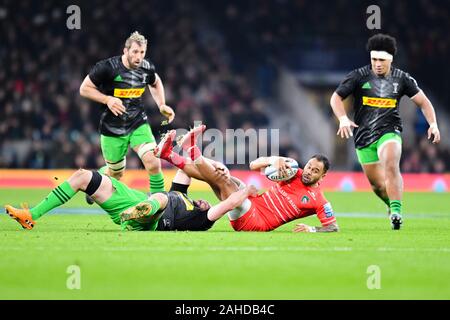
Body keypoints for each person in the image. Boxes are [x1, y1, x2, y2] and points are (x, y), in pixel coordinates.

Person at [3, 128, 251, 232]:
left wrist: (248, 189)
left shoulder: (200, 220)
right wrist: (203, 154)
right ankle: (31, 215)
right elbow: (188, 170)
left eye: (208, 204)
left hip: (154, 220)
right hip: (136, 202)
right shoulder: (183, 196)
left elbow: (228, 204)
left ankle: (137, 216)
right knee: (82, 176)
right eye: (205, 201)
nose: (206, 202)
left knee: (162, 197)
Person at [330, 33, 441, 230]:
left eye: (381, 59)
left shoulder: (403, 79)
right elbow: (335, 98)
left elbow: (424, 102)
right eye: (374, 59)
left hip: (390, 131)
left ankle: (397, 213)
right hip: (363, 137)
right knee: (377, 186)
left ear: (390, 59)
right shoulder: (358, 76)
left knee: (390, 162)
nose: (377, 63)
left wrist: (433, 124)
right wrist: (343, 118)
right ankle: (391, 205)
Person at [154, 125, 339, 233]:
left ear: (322, 176)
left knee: (222, 180)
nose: (308, 172)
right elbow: (253, 165)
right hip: (254, 202)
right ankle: (170, 154)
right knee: (223, 175)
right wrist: (274, 159)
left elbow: (332, 227)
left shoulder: (319, 200)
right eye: (309, 166)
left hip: (256, 221)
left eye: (315, 171)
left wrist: (312, 229)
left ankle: (189, 150)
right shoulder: (292, 172)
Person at [79, 31, 175, 203]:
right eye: (135, 52)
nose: (139, 57)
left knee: (153, 162)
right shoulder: (107, 67)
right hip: (112, 127)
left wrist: (161, 104)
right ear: (126, 51)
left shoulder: (146, 67)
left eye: (142, 52)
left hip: (138, 122)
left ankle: (162, 206)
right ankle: (97, 178)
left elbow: (156, 81)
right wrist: (107, 99)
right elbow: (84, 88)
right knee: (116, 173)